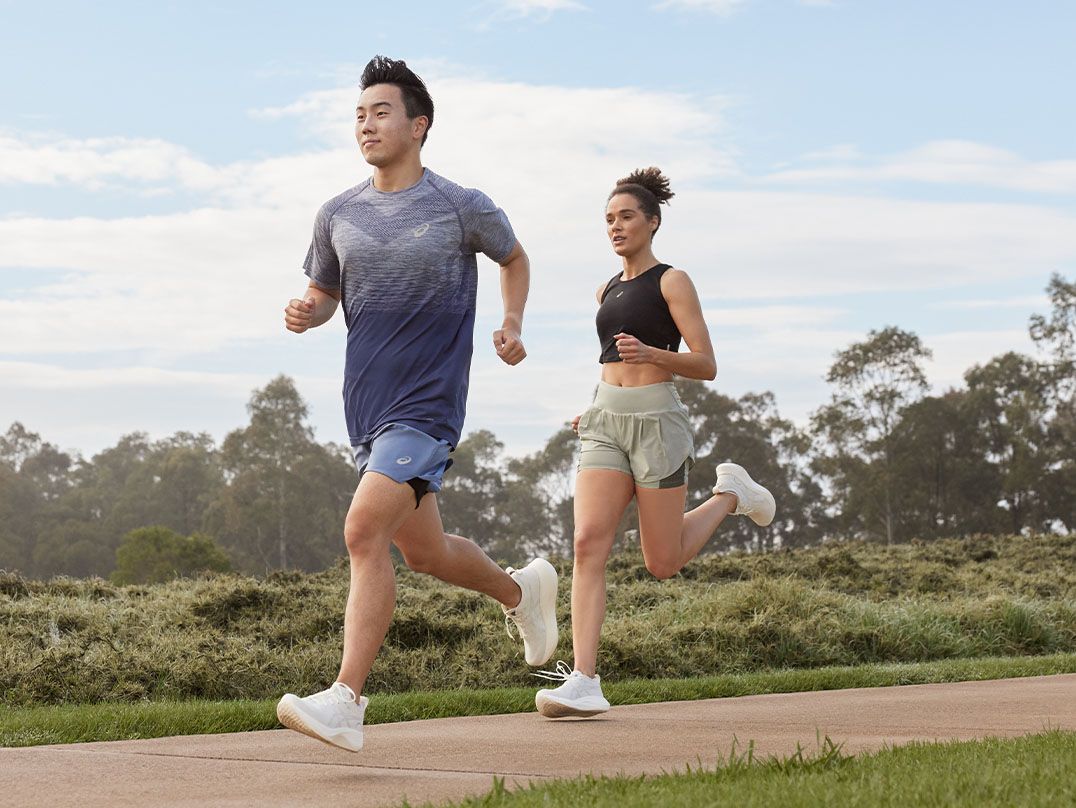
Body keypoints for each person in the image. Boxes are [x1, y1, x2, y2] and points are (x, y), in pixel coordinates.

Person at [275, 56, 558, 752]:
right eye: (359, 115)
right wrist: (309, 310)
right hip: (366, 410)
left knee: (362, 531)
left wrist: (512, 322)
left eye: (381, 112)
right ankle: (522, 594)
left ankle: (346, 700)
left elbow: (515, 258)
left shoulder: (460, 206)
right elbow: (327, 292)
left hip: (427, 407)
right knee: (425, 553)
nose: (367, 124)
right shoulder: (337, 213)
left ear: (418, 124)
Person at [534, 167, 776, 718]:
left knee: (661, 562)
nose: (615, 227)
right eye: (609, 220)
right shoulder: (606, 289)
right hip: (604, 422)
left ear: (652, 222)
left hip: (658, 425)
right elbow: (609, 360)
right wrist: (595, 409)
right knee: (587, 544)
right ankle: (585, 680)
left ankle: (730, 496)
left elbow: (706, 364)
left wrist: (653, 355)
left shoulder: (672, 281)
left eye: (626, 217)